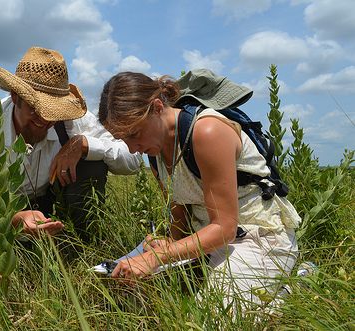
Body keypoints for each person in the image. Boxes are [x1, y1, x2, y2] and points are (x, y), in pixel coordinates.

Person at [98, 69, 300, 307]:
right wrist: (164, 240)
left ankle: (294, 286)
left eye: (135, 134)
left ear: (158, 108)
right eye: (124, 140)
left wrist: (157, 257)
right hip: (206, 244)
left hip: (256, 238)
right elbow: (178, 217)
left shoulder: (207, 132)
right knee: (118, 289)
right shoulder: (154, 150)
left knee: (214, 319)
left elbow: (225, 229)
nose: (132, 149)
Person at [0, 47, 141, 244]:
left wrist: (82, 144)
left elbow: (133, 160)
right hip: (10, 210)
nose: (44, 118)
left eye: (52, 111)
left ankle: (85, 244)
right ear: (15, 97)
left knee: (93, 163)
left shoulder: (70, 120)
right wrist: (15, 219)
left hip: (55, 197)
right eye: (34, 108)